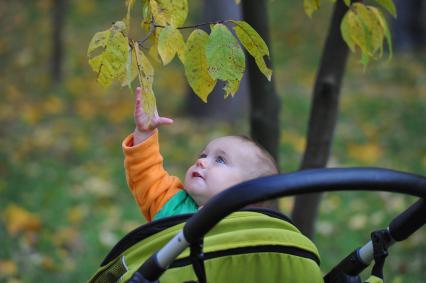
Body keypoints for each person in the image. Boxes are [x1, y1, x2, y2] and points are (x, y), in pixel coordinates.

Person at [122, 87, 278, 222]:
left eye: (220, 160)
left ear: (248, 192)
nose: (201, 162)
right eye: (203, 155)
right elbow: (146, 173)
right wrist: (144, 132)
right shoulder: (171, 202)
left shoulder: (246, 230)